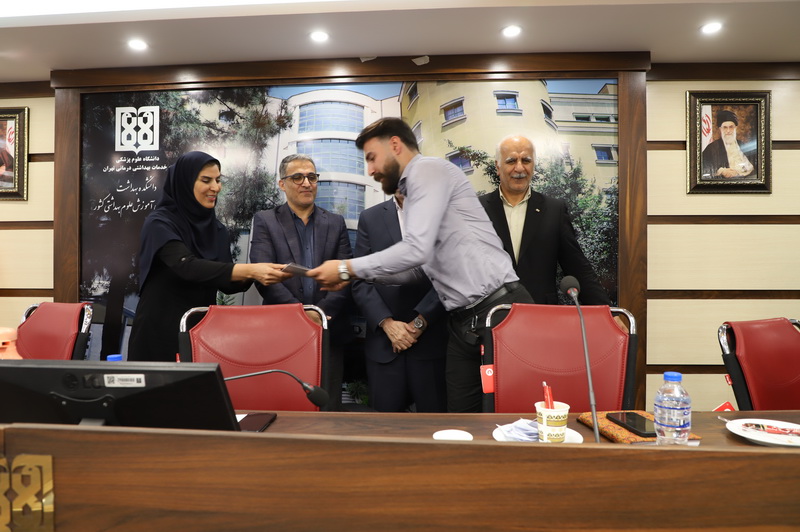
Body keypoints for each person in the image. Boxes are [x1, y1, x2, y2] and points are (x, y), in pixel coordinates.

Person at [308, 117, 534, 413]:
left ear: (395, 145)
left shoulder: (426, 170)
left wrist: (345, 268)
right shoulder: (415, 191)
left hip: (498, 311)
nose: (371, 170)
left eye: (372, 157)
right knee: (459, 421)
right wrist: (356, 276)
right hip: (462, 322)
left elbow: (415, 250)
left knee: (512, 415)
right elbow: (418, 269)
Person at [128, 151, 289, 362]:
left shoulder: (217, 229)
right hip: (158, 332)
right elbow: (186, 266)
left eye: (218, 180)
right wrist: (251, 270)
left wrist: (261, 271)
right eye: (206, 180)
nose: (216, 187)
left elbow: (228, 284)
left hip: (200, 331)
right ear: (185, 183)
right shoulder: (159, 222)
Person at [249, 153, 353, 410]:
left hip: (328, 330)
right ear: (282, 184)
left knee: (327, 407)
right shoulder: (265, 220)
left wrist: (321, 315)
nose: (307, 183)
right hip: (281, 330)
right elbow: (264, 276)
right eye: (297, 177)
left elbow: (345, 273)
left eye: (312, 177)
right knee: (283, 404)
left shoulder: (335, 222)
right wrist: (301, 314)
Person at [479, 134, 610, 306]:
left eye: (526, 160)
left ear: (533, 165)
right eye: (511, 161)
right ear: (498, 166)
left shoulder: (554, 210)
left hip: (541, 311)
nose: (519, 168)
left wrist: (606, 312)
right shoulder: (477, 209)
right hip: (491, 314)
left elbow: (577, 267)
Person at [351, 190, 448, 412]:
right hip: (384, 346)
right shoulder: (370, 218)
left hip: (432, 344)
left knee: (434, 426)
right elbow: (359, 280)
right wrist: (387, 323)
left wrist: (419, 323)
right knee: (385, 429)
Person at [701, 109, 756, 179]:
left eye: (731, 127)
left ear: (735, 128)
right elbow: (703, 168)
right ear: (720, 129)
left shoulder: (743, 145)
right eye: (725, 127)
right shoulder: (711, 148)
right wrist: (721, 171)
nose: (728, 131)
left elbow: (755, 164)